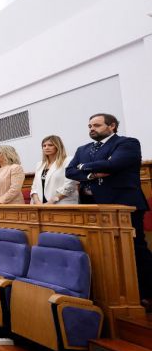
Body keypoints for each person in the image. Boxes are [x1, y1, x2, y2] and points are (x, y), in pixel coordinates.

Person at [66, 113, 152, 308]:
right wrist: (91, 171)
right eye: (89, 125)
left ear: (112, 126)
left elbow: (114, 164)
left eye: (96, 125)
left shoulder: (127, 143)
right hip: (92, 206)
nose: (91, 129)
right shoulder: (83, 149)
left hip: (122, 205)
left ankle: (147, 292)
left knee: (134, 249)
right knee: (100, 251)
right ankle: (110, 293)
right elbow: (70, 171)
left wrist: (84, 167)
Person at [30, 135, 78, 205]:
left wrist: (52, 201)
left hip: (61, 203)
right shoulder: (39, 164)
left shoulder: (68, 160)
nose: (46, 148)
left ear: (58, 146)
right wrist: (37, 202)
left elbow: (70, 185)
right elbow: (34, 186)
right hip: (39, 205)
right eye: (44, 146)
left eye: (50, 145)